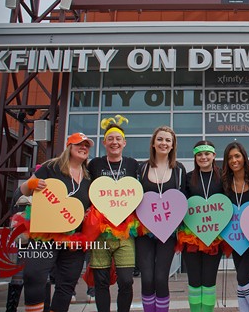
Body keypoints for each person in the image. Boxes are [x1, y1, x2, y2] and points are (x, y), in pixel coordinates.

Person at [17, 132, 93, 312]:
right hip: (46, 233)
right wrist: (32, 184)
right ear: (69, 147)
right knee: (34, 275)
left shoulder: (89, 177)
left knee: (67, 283)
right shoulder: (51, 167)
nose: (83, 148)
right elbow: (24, 189)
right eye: (78, 144)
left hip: (74, 238)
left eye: (86, 145)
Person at [84, 117, 140, 312]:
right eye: (110, 139)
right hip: (99, 231)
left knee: (126, 281)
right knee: (100, 281)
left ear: (124, 143)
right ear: (104, 142)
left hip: (125, 231)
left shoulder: (133, 165)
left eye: (118, 139)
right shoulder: (94, 165)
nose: (114, 142)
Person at [137, 126, 186, 312]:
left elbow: (183, 200)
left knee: (160, 277)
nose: (163, 143)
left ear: (173, 146)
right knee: (147, 278)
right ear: (153, 143)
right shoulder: (141, 168)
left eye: (167, 140)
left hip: (168, 232)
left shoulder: (179, 169)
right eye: (160, 139)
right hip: (144, 231)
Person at [177, 140, 226, 312]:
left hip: (214, 237)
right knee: (194, 280)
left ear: (213, 155)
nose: (203, 157)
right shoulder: (188, 177)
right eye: (199, 154)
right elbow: (182, 204)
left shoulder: (223, 177)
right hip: (191, 236)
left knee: (209, 280)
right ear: (195, 157)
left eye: (207, 153)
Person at [222, 141, 249, 312]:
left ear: (244, 157)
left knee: (244, 276)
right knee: (241, 279)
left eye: (237, 156)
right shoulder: (225, 183)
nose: (234, 160)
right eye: (230, 157)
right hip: (237, 239)